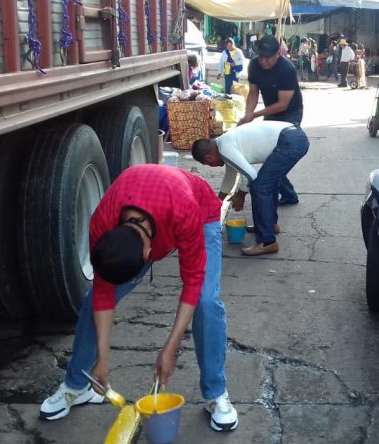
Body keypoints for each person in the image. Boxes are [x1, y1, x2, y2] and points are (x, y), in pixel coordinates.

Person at [39, 165, 238, 432]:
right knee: (92, 300)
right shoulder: (102, 222)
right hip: (148, 205)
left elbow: (192, 283)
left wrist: (170, 349)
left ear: (149, 255)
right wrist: (103, 360)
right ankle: (76, 385)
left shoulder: (184, 210)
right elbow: (103, 292)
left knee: (206, 301)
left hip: (201, 214)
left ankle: (215, 394)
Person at [192, 121, 309, 256]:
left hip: (290, 142)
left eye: (207, 164)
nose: (211, 166)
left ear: (209, 157)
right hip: (292, 137)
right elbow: (230, 176)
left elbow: (250, 176)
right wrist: (218, 202)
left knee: (260, 187)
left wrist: (240, 195)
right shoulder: (223, 143)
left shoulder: (225, 148)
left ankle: (267, 242)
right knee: (267, 183)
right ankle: (269, 226)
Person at [239, 34, 303, 206]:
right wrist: (247, 114)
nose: (264, 62)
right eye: (261, 57)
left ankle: (286, 195)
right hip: (271, 113)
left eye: (268, 58)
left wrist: (255, 115)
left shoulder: (287, 69)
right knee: (271, 158)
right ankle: (289, 195)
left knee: (277, 158)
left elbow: (283, 104)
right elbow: (253, 93)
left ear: (278, 54)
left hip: (290, 112)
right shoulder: (253, 65)